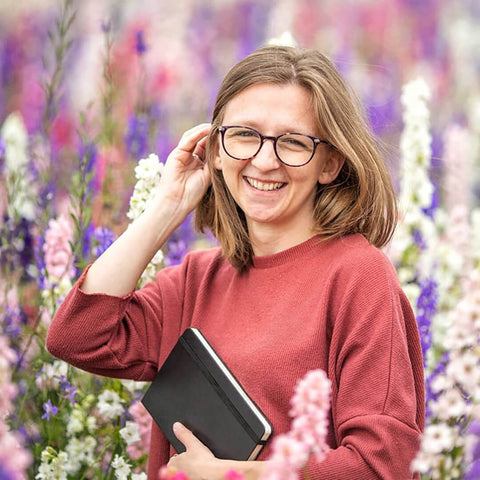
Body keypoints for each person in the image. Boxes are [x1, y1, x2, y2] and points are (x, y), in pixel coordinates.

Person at [47, 45, 425, 479]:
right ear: (217, 149)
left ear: (330, 162)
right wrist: (167, 207)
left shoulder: (359, 276)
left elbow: (382, 464)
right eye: (244, 134)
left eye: (293, 142)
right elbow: (76, 337)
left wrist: (232, 476)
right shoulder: (195, 280)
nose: (264, 161)